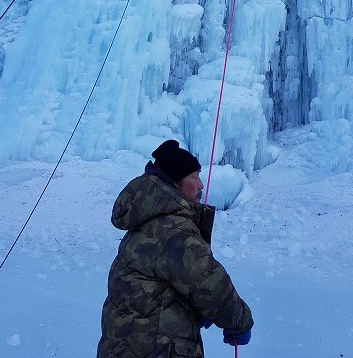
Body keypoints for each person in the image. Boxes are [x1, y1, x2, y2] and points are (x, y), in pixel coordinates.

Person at [97, 139, 253, 358]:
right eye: (194, 176)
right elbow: (210, 284)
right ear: (176, 181)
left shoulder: (148, 222)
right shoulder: (171, 229)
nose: (201, 185)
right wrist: (238, 321)